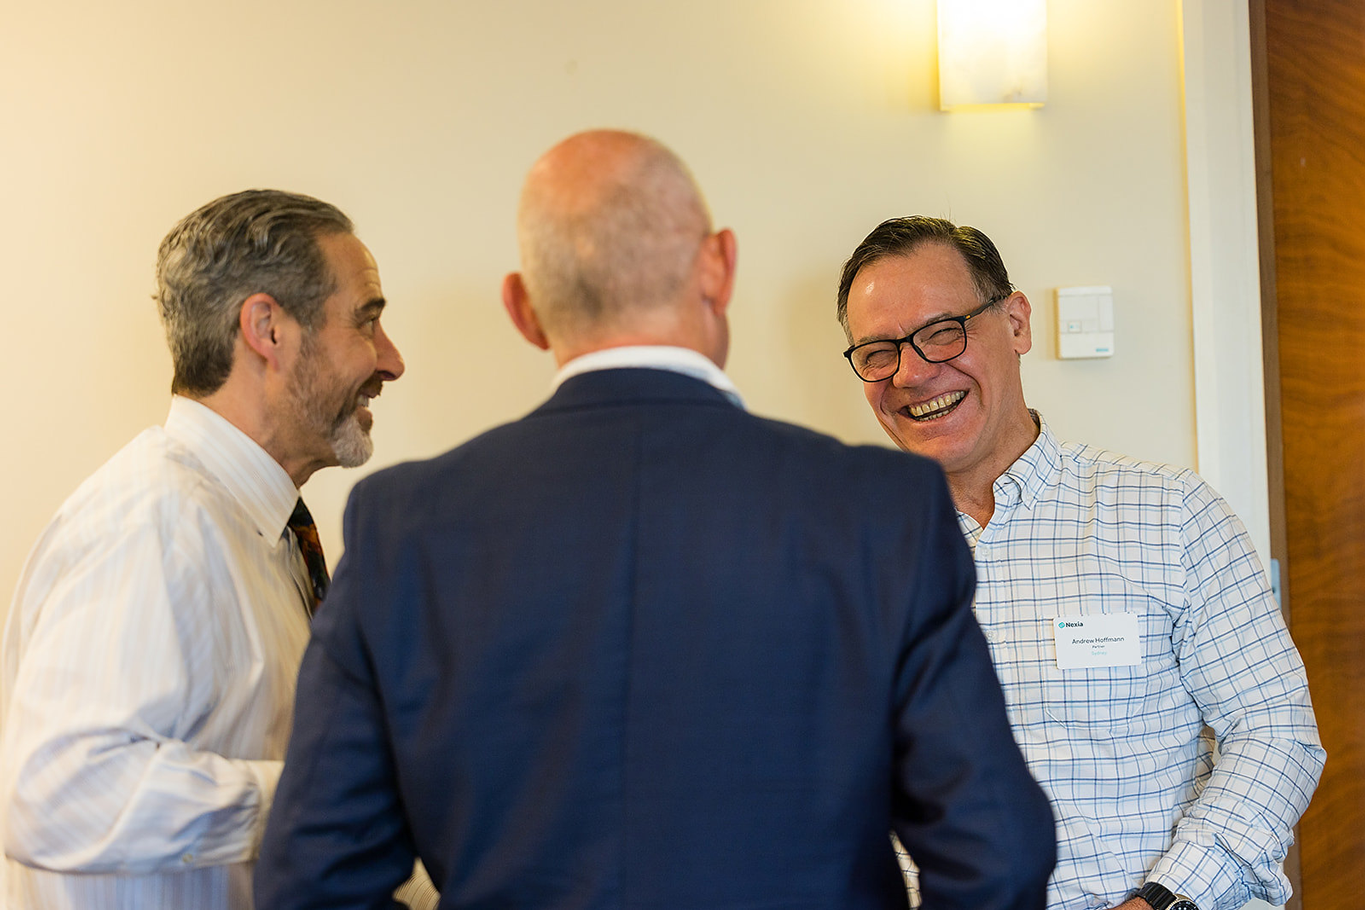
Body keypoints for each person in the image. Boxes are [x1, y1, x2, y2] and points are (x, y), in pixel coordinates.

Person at [253, 130, 1056, 910]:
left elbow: (313, 877)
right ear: (720, 267)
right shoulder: (876, 507)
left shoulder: (407, 525)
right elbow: (996, 851)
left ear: (524, 310)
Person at [835, 215, 1325, 910]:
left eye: (942, 331)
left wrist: (1162, 901)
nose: (911, 373)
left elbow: (1273, 729)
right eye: (878, 351)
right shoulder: (836, 561)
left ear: (1015, 323)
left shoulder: (1168, 513)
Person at [0, 189, 405, 909]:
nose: (391, 360)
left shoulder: (256, 529)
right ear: (267, 329)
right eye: (367, 321)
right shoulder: (156, 522)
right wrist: (332, 793)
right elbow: (63, 796)